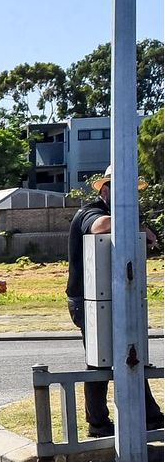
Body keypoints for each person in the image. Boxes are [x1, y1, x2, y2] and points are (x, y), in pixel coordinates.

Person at [65, 165, 163, 437]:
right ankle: (98, 423)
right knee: (101, 358)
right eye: (123, 192)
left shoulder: (118, 214)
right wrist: (136, 223)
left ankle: (149, 415)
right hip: (89, 300)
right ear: (106, 190)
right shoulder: (90, 212)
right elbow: (100, 228)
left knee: (132, 353)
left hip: (119, 294)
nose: (130, 199)